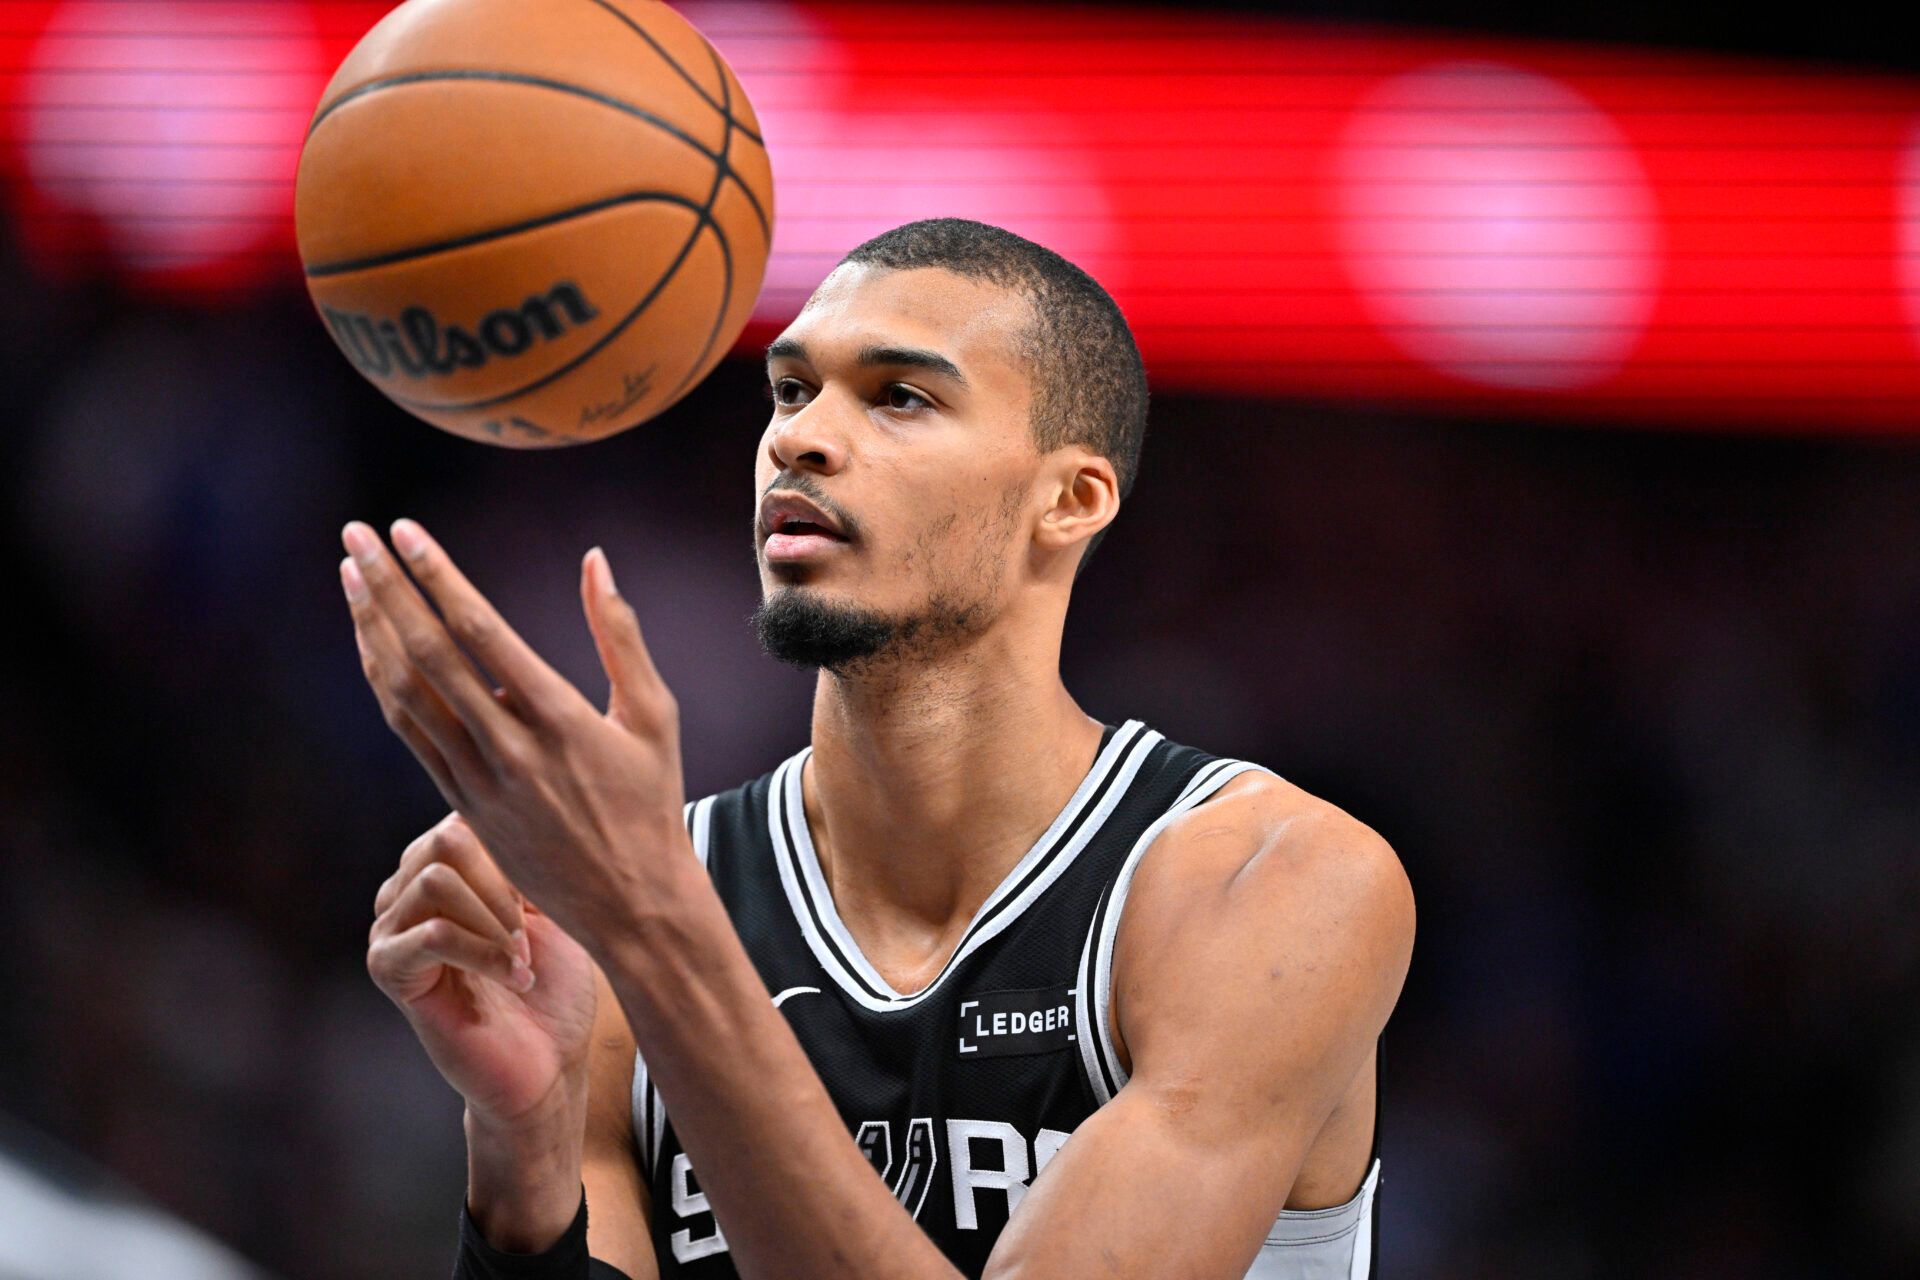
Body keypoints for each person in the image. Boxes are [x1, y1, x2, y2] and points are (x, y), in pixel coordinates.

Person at [343, 219, 1415, 1279]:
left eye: (901, 395)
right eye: (792, 389)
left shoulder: (1276, 885)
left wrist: (661, 932)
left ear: (1070, 498)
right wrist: (524, 1152)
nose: (799, 438)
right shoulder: (632, 916)